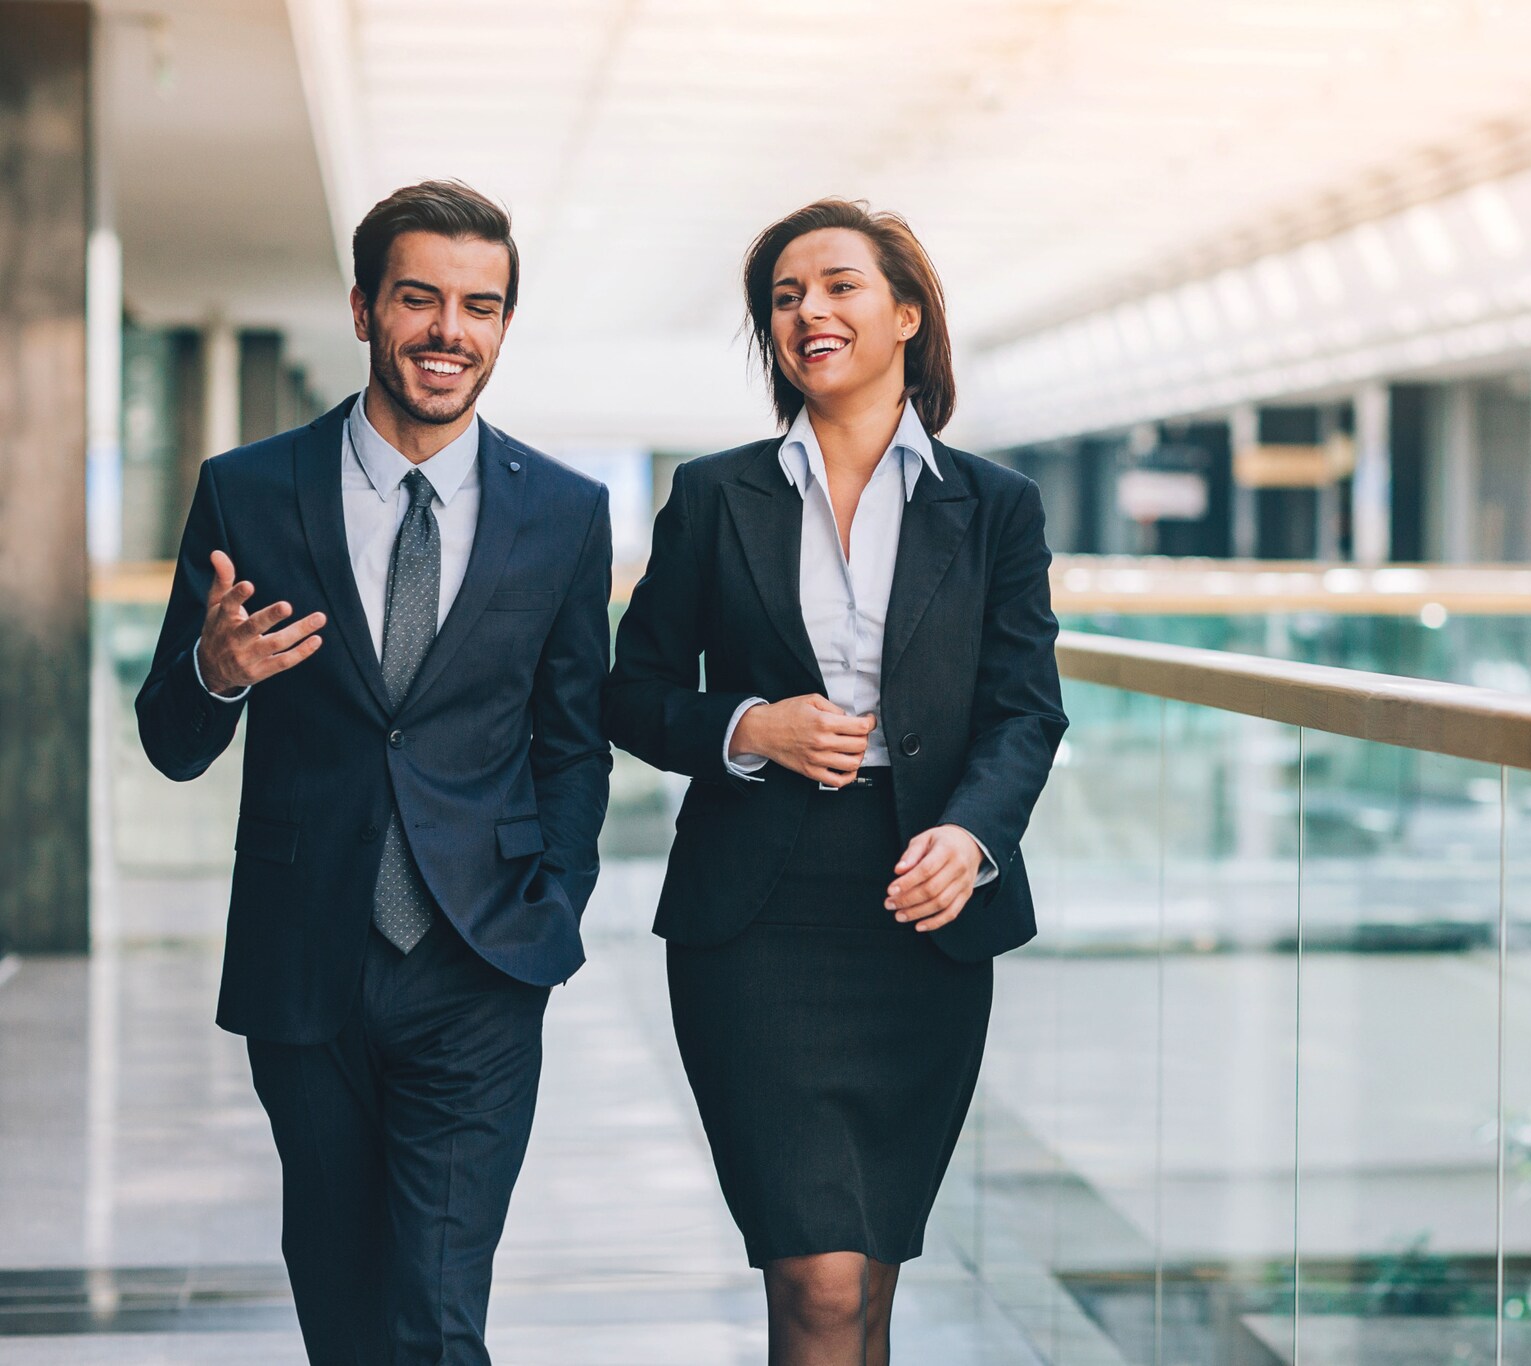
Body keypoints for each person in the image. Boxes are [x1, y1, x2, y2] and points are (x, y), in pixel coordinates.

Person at [134, 180, 613, 1366]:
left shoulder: (562, 511)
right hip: (305, 961)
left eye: (480, 306)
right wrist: (216, 671)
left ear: (503, 325)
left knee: (437, 1312)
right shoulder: (249, 491)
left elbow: (571, 740)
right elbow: (170, 737)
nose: (450, 330)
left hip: (480, 962)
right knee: (343, 1307)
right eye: (420, 299)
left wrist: (548, 906)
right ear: (363, 308)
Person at [603, 198, 1066, 1365]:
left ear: (906, 313)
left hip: (922, 908)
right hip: (756, 914)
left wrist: (971, 837)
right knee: (813, 1277)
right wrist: (751, 723)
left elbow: (1025, 709)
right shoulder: (717, 494)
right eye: (783, 295)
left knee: (869, 1276)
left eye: (838, 285)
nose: (808, 309)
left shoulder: (995, 506)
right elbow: (632, 690)